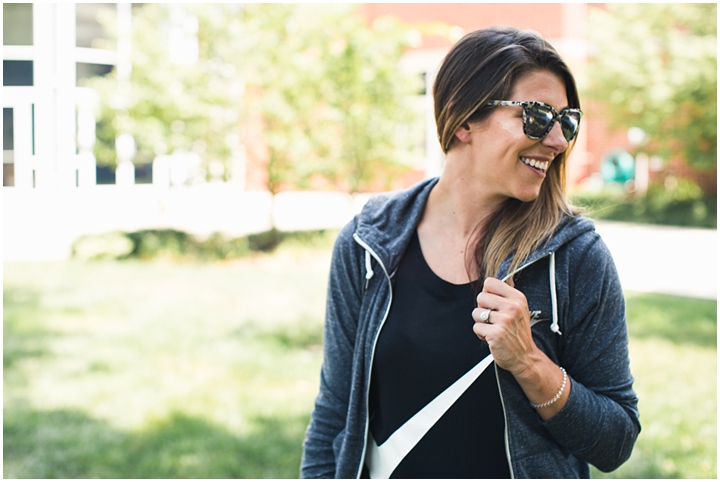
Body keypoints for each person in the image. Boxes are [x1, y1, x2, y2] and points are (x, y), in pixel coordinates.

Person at [301, 26, 640, 479]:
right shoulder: (368, 244)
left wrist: (529, 363)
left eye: (567, 121)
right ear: (463, 120)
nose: (559, 141)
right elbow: (334, 416)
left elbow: (615, 441)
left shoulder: (576, 257)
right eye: (538, 116)